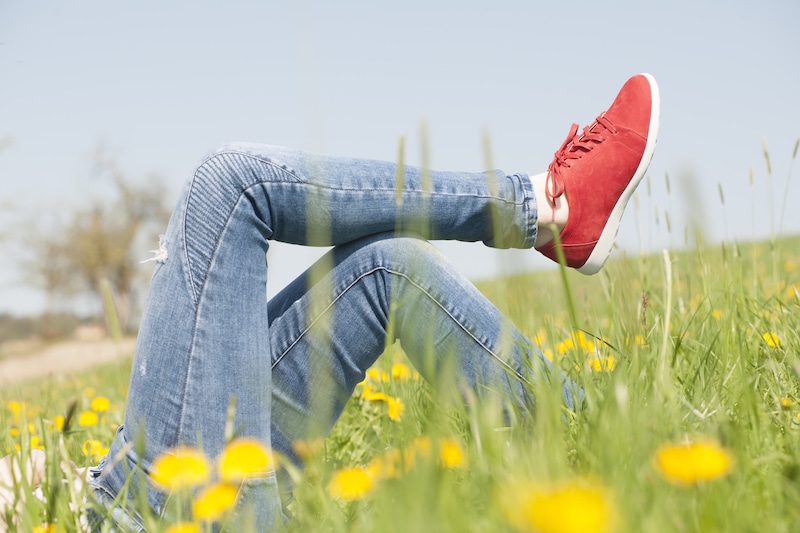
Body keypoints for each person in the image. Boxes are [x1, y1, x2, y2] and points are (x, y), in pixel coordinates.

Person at [79, 73, 659, 531]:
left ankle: (606, 442)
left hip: (145, 491)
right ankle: (543, 209)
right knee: (228, 185)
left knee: (389, 267)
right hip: (148, 514)